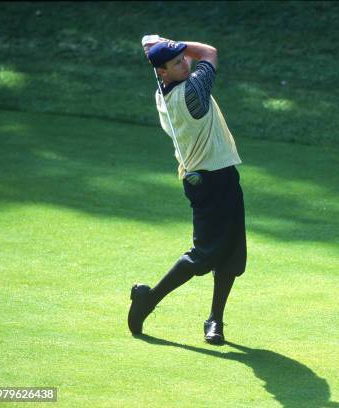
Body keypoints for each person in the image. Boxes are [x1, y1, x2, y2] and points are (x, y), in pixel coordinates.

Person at [127, 35, 246, 345]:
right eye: (177, 62)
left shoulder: (163, 90)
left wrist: (163, 50)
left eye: (183, 59)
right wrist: (168, 40)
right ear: (163, 72)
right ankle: (148, 300)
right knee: (204, 255)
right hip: (209, 180)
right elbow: (209, 51)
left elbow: (190, 59)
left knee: (231, 255)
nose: (185, 63)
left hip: (219, 175)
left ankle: (215, 319)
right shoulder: (193, 92)